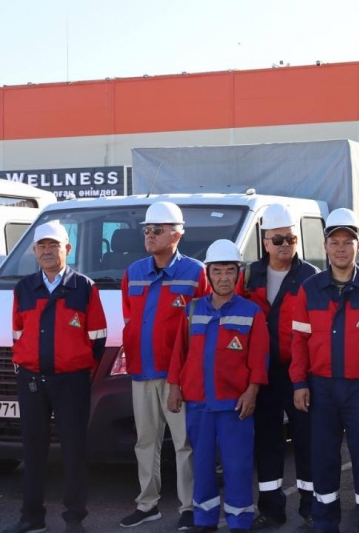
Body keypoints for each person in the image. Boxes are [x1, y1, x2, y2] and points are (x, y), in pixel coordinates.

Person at [290, 208, 359, 533]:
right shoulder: (309, 289)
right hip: (321, 388)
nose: (341, 248)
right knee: (323, 458)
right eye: (334, 242)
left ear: (358, 246)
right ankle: (325, 521)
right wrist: (299, 383)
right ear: (325, 247)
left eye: (347, 242)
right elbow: (299, 342)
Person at [5, 220, 107, 533]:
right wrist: (29, 365)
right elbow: (18, 334)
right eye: (42, 246)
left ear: (68, 249)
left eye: (54, 245)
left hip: (71, 382)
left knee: (74, 450)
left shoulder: (85, 287)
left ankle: (74, 518)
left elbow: (98, 337)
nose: (47, 251)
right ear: (34, 251)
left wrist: (75, 365)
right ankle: (31, 517)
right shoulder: (23, 288)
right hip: (32, 381)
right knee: (32, 450)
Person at [168, 239, 269, 533]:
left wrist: (252, 391)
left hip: (234, 405)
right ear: (208, 274)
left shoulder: (251, 312)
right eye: (217, 271)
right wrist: (174, 387)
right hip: (198, 403)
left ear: (238, 274)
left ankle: (239, 521)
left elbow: (259, 358)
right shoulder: (192, 310)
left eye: (229, 271)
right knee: (202, 465)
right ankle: (204, 520)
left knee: (237, 466)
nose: (224, 277)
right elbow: (179, 353)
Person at [119, 201, 209, 530]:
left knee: (185, 443)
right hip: (141, 372)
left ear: (176, 234)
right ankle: (147, 504)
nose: (150, 235)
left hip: (178, 377)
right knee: (145, 442)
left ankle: (190, 507)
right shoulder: (133, 272)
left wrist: (186, 376)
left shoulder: (196, 273)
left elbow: (203, 327)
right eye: (147, 229)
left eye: (157, 229)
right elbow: (130, 320)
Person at [237, 204, 320, 529]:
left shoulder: (310, 276)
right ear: (266, 242)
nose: (285, 245)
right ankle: (271, 509)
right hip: (262, 373)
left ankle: (311, 508)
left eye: (291, 239)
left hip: (299, 373)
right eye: (278, 239)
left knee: (306, 441)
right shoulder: (249, 275)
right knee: (267, 442)